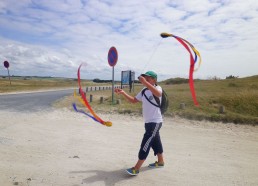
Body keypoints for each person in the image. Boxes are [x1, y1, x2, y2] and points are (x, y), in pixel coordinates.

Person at [115, 71, 164, 176]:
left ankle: (136, 168)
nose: (145, 79)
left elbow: (158, 94)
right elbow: (133, 100)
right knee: (156, 142)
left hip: (155, 122)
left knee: (146, 143)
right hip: (148, 122)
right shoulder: (144, 90)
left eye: (148, 78)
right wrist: (123, 92)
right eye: (144, 77)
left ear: (154, 79)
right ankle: (160, 161)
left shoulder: (158, 88)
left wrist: (145, 82)